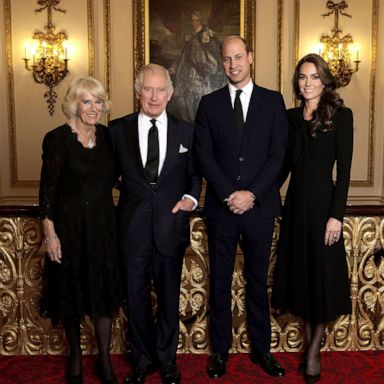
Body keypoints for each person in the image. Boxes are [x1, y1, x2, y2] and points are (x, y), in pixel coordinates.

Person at [194, 35, 288, 379]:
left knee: (257, 282)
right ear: (222, 63)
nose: (232, 65)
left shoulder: (273, 102)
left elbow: (278, 156)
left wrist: (252, 194)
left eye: (238, 57)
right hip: (221, 211)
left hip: (260, 210)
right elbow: (203, 155)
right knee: (218, 283)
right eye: (226, 59)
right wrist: (229, 194)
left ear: (250, 56)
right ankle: (219, 352)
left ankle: (262, 351)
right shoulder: (209, 103)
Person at [108, 63, 201, 384]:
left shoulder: (186, 131)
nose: (154, 96)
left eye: (161, 89)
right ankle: (143, 360)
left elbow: (193, 176)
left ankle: (167, 360)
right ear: (138, 93)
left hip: (169, 227)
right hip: (131, 230)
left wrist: (190, 198)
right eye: (148, 89)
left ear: (170, 94)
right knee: (135, 300)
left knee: (168, 297)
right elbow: (102, 175)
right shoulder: (117, 130)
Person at [272, 53, 353, 383]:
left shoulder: (341, 116)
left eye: (314, 77)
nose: (307, 83)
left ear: (325, 81)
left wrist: (336, 216)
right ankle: (310, 346)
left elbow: (344, 173)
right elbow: (282, 167)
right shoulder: (290, 117)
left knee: (321, 280)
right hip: (296, 209)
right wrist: (255, 195)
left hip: (323, 211)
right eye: (303, 77)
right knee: (303, 281)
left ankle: (313, 351)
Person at [39, 76, 121, 384]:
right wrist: (50, 234)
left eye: (98, 101)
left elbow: (118, 179)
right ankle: (74, 356)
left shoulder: (109, 138)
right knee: (71, 295)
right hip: (69, 230)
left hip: (103, 228)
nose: (93, 108)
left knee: (103, 295)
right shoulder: (57, 139)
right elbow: (47, 193)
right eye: (86, 101)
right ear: (74, 104)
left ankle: (104, 360)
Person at [168, 10, 227, 123]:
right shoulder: (189, 37)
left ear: (201, 21)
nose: (193, 23)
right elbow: (183, 55)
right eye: (192, 21)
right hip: (188, 72)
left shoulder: (207, 34)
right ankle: (190, 123)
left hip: (201, 71)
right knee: (184, 99)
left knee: (200, 98)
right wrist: (174, 68)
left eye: (196, 20)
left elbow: (217, 51)